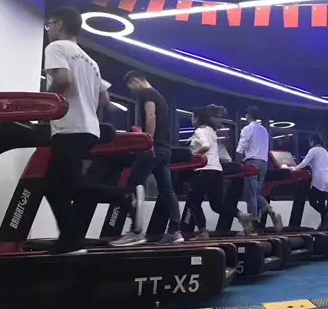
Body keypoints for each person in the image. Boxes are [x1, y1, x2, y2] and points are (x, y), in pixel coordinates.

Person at [43, 7, 111, 255]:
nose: (48, 30)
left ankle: (120, 197)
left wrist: (45, 105)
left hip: (69, 127)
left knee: (53, 186)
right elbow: (105, 99)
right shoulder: (90, 61)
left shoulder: (56, 47)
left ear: (59, 24)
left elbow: (63, 80)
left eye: (49, 24)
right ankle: (71, 240)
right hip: (89, 129)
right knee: (68, 185)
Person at [111, 71, 183, 246]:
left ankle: (136, 232)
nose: (130, 90)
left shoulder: (147, 93)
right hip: (164, 149)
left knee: (133, 185)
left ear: (136, 81)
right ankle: (175, 231)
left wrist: (147, 142)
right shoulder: (160, 97)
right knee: (167, 190)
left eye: (130, 86)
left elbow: (151, 116)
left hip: (153, 148)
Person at [187, 107, 254, 238]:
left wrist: (193, 156)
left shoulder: (200, 131)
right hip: (217, 172)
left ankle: (202, 232)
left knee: (193, 202)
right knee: (217, 205)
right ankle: (241, 215)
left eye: (192, 116)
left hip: (203, 171)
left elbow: (205, 146)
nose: (191, 119)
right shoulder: (211, 131)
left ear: (198, 118)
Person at [236, 106, 283, 232]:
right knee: (256, 194)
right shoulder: (264, 130)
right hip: (263, 163)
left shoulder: (248, 128)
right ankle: (272, 213)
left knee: (251, 195)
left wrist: (236, 164)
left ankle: (252, 225)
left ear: (248, 115)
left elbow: (240, 148)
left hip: (252, 163)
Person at [291, 134, 328, 230]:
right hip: (326, 179)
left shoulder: (313, 150)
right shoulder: (325, 151)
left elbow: (304, 162)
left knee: (312, 200)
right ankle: (324, 225)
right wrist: (313, 165)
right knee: (322, 202)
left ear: (313, 141)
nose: (310, 143)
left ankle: (327, 217)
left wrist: (294, 169)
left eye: (310, 141)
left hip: (318, 179)